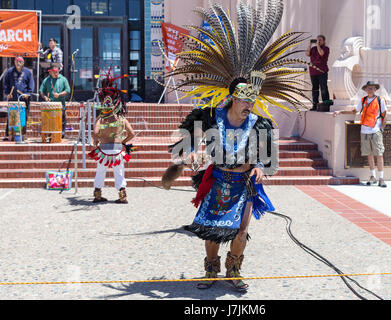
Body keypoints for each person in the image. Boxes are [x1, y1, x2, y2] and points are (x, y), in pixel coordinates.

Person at [161, 0, 309, 292]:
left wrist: (262, 170)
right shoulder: (210, 116)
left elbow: (270, 161)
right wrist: (188, 150)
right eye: (245, 100)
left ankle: (234, 271)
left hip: (245, 183)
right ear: (232, 98)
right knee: (211, 230)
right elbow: (183, 142)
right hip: (217, 179)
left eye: (252, 100)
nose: (249, 105)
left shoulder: (260, 123)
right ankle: (211, 272)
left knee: (241, 231)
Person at [88, 70, 135, 204]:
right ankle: (122, 196)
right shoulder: (121, 118)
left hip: (103, 150)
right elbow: (132, 133)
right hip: (117, 150)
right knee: (119, 173)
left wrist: (96, 142)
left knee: (100, 172)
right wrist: (124, 142)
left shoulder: (101, 118)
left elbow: (95, 132)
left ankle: (97, 195)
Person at [333, 81, 388, 188]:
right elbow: (354, 111)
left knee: (379, 154)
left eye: (371, 88)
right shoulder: (363, 100)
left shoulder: (380, 100)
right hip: (365, 130)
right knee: (369, 154)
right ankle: (372, 176)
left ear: (375, 89)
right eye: (368, 88)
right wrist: (340, 112)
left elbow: (385, 115)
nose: (370, 90)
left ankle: (381, 178)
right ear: (366, 90)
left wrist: (381, 128)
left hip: (375, 130)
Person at [2, 56, 34, 141]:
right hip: (13, 97)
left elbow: (31, 84)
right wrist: (7, 93)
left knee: (24, 116)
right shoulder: (10, 71)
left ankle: (22, 134)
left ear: (23, 63)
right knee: (12, 116)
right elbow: (6, 83)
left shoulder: (27, 72)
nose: (18, 63)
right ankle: (10, 134)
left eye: (20, 61)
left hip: (24, 99)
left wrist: (28, 93)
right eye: (16, 61)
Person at [39, 67, 70, 138]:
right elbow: (41, 91)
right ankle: (51, 133)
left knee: (61, 119)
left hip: (61, 103)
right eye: (54, 72)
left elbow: (68, 90)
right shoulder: (47, 80)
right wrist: (45, 97)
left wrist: (59, 94)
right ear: (50, 72)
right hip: (51, 104)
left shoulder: (63, 79)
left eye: (57, 72)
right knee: (50, 119)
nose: (56, 74)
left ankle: (61, 133)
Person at [306, 35, 330, 111]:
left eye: (320, 40)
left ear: (324, 41)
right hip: (313, 72)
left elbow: (321, 53)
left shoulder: (326, 48)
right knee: (315, 89)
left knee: (323, 88)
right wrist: (309, 44)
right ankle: (315, 105)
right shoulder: (313, 49)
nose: (318, 41)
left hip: (322, 71)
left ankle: (326, 104)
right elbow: (307, 54)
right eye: (317, 40)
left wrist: (318, 45)